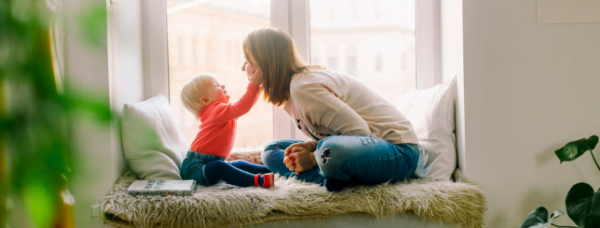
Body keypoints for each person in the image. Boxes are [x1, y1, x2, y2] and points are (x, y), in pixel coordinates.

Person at [243, 28, 424, 192]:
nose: (243, 68)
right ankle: (328, 180)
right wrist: (309, 147)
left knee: (328, 152)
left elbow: (360, 132)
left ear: (265, 65)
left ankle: (326, 172)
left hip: (399, 152)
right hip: (362, 147)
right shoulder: (292, 91)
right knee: (271, 151)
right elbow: (337, 134)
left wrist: (313, 156)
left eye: (248, 61)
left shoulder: (303, 88)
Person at [180, 69, 275, 189]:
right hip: (196, 168)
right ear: (205, 100)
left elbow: (245, 107)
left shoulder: (220, 112)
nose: (223, 85)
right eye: (217, 85)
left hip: (210, 162)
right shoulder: (214, 110)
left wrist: (259, 87)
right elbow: (242, 107)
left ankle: (271, 170)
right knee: (219, 167)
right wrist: (254, 85)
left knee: (238, 164)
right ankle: (258, 180)